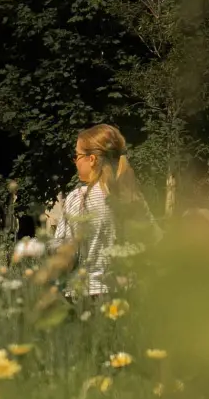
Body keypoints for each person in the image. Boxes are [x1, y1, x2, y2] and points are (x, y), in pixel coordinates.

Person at [52, 123, 151, 298]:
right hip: (127, 293)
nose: (75, 161)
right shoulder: (135, 197)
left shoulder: (80, 198)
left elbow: (64, 256)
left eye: (77, 155)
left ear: (92, 159)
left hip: (87, 293)